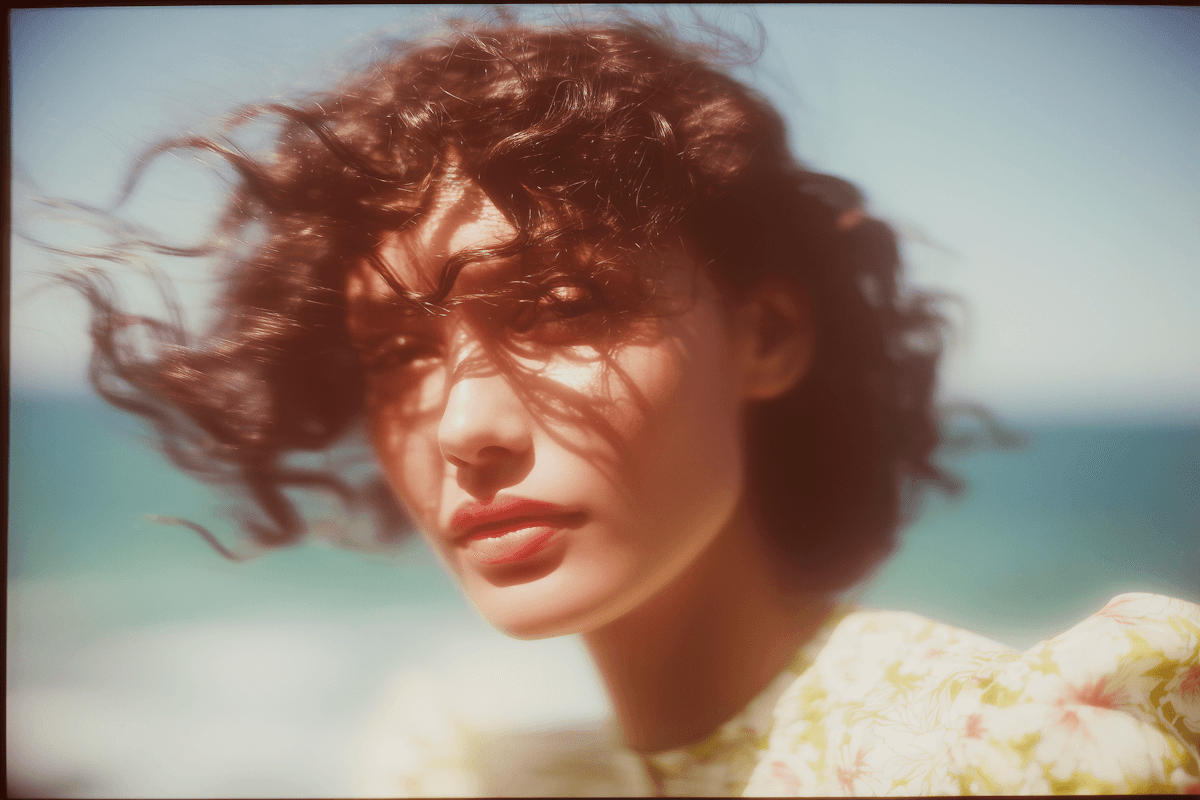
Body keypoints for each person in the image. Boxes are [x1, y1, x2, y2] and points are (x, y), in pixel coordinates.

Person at [55, 14, 1198, 797]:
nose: (463, 428)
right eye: (395, 351)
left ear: (766, 335)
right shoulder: (462, 778)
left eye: (561, 307)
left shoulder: (1009, 753)